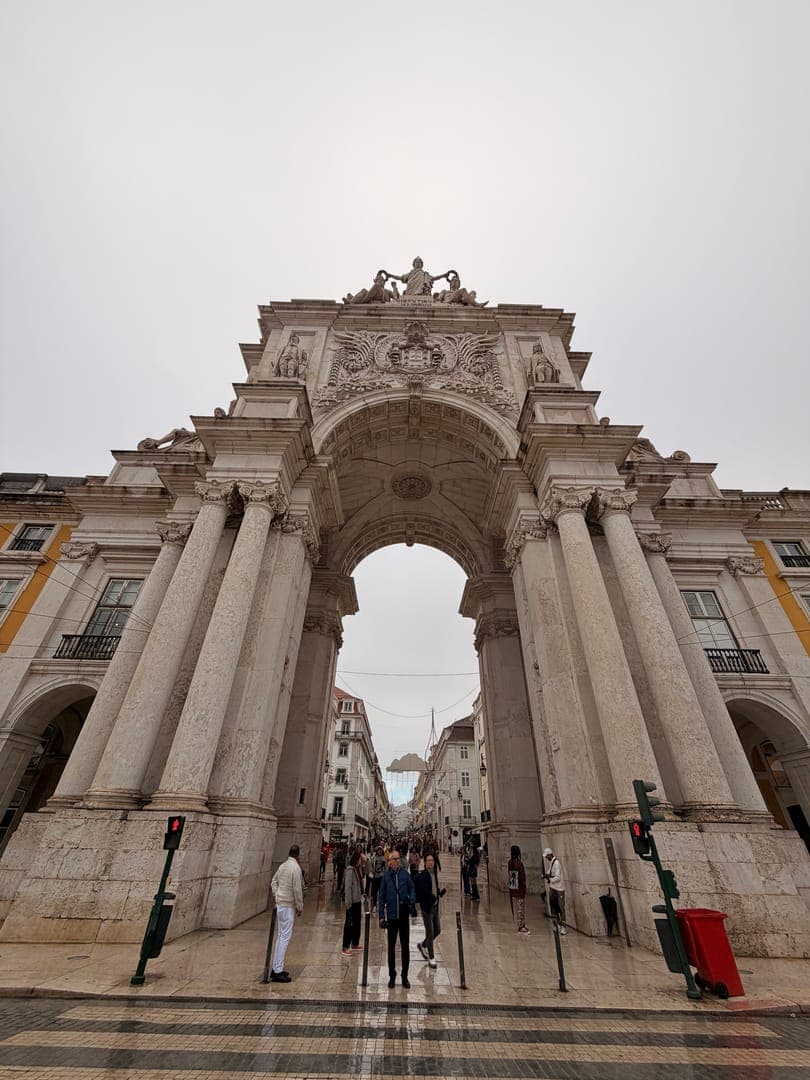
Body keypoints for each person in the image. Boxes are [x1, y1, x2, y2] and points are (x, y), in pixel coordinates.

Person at [378, 849, 417, 988]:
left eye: (391, 859)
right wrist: (381, 916)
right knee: (391, 948)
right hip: (392, 916)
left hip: (403, 915)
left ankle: (405, 976)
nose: (389, 862)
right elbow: (381, 896)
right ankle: (392, 975)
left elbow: (412, 888)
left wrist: (411, 900)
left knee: (405, 947)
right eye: (389, 860)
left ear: (397, 860)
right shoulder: (386, 876)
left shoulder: (405, 875)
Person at [269, 844, 304, 982]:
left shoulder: (283, 866)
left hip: (280, 904)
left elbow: (273, 881)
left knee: (280, 936)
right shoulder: (296, 868)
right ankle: (277, 970)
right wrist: (300, 906)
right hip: (288, 906)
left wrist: (277, 895)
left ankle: (276, 966)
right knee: (284, 937)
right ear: (298, 855)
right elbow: (297, 890)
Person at [415, 852, 445, 967]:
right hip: (427, 908)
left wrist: (440, 894)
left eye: (432, 860)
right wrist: (432, 897)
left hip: (435, 907)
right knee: (430, 931)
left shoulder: (434, 874)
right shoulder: (423, 876)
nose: (430, 862)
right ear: (425, 862)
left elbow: (434, 888)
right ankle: (431, 957)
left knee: (438, 930)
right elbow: (424, 892)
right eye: (428, 861)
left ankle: (423, 945)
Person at [341, 851, 365, 956]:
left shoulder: (358, 869)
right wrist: (348, 903)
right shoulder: (350, 870)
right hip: (352, 902)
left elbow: (369, 869)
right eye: (360, 858)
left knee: (357, 923)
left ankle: (355, 943)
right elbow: (348, 888)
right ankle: (345, 946)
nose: (361, 860)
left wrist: (366, 860)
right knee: (349, 924)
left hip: (358, 900)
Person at [543, 846, 566, 934]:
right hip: (553, 888)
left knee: (561, 908)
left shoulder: (557, 863)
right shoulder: (552, 862)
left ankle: (563, 926)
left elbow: (558, 877)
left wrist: (549, 879)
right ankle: (558, 925)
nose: (546, 858)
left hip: (559, 888)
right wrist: (546, 875)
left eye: (546, 856)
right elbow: (549, 871)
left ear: (550, 855)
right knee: (555, 908)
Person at [508, 845, 529, 935]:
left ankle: (522, 924)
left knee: (518, 907)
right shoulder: (519, 863)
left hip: (513, 887)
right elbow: (522, 877)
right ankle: (521, 926)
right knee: (521, 907)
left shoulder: (510, 862)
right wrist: (524, 885)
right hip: (520, 888)